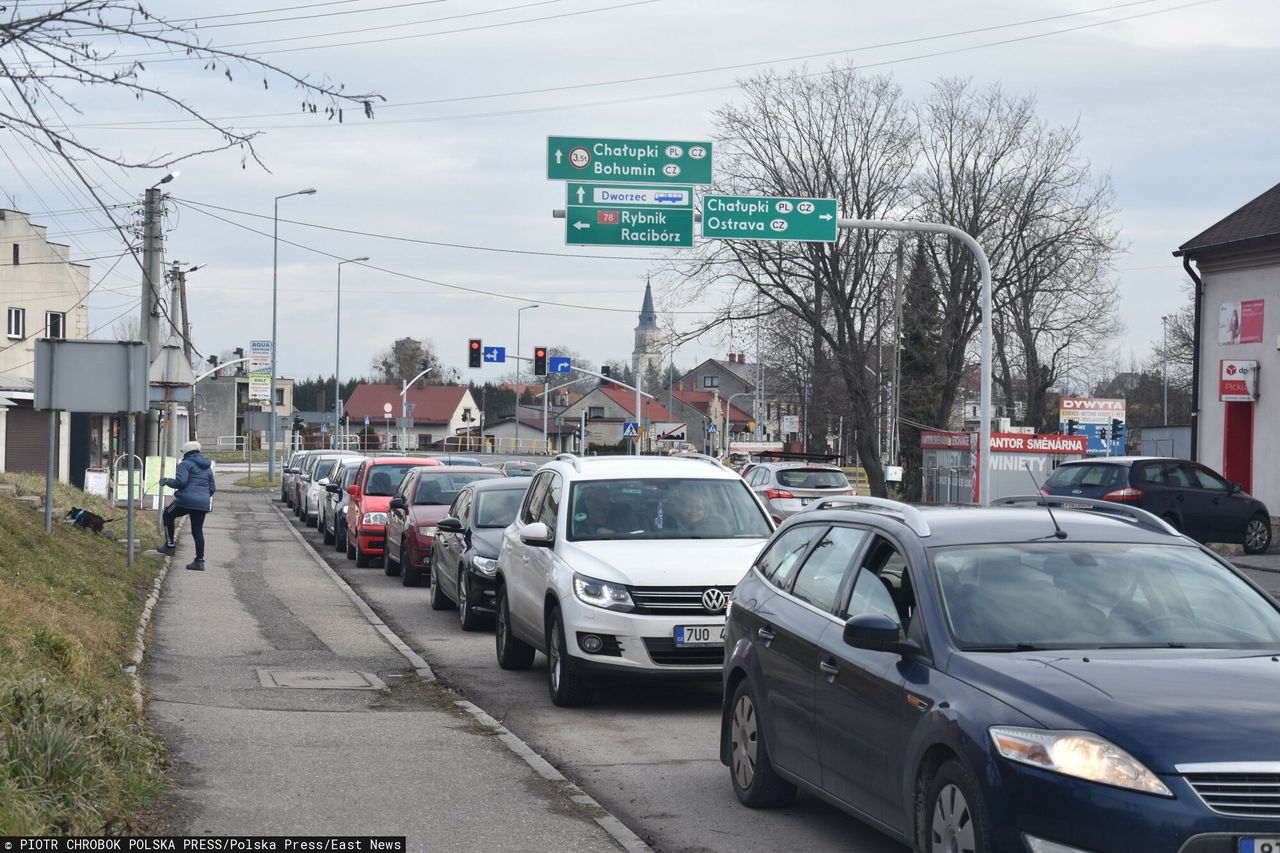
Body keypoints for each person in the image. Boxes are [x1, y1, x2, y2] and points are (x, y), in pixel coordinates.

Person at [159, 440, 216, 571]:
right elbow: (212, 488)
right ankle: (199, 561)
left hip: (185, 500)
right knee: (197, 530)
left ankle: (169, 546)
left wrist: (167, 481)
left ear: (186, 452)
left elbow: (181, 482)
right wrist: (202, 496)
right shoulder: (207, 467)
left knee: (168, 514)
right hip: (202, 503)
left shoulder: (185, 464)